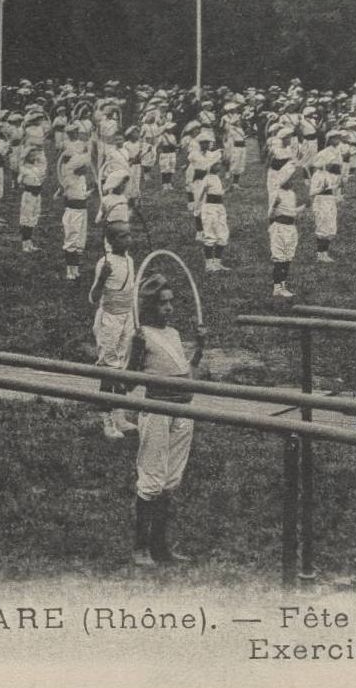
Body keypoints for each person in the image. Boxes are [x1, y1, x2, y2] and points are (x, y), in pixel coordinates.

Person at [127, 273, 205, 567]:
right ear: (149, 307)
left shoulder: (172, 334)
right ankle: (140, 547)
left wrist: (199, 349)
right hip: (158, 410)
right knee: (151, 480)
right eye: (162, 304)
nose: (169, 308)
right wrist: (135, 352)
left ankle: (161, 547)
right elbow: (126, 381)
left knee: (171, 481)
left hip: (183, 411)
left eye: (171, 302)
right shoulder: (142, 335)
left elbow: (188, 376)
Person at [89, 221, 139, 440]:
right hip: (109, 319)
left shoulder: (130, 260)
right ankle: (106, 421)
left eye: (129, 235)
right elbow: (93, 297)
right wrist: (101, 277)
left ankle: (119, 414)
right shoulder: (105, 262)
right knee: (108, 370)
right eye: (121, 237)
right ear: (109, 241)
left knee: (123, 366)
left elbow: (131, 292)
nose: (127, 240)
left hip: (127, 318)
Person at [267, 164, 303, 298]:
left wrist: (304, 207)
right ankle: (277, 287)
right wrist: (275, 204)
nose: (292, 182)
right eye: (289, 179)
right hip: (279, 228)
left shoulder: (292, 194)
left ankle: (283, 284)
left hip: (291, 228)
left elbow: (292, 212)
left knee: (288, 257)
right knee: (279, 258)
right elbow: (270, 214)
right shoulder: (276, 193)